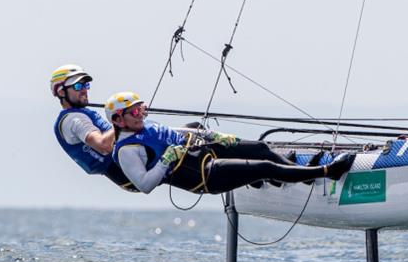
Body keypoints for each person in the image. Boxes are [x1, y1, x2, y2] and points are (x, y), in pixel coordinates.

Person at [105, 92, 355, 194]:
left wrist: (214, 136)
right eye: (135, 113)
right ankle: (328, 172)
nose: (142, 116)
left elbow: (175, 133)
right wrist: (165, 160)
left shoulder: (144, 127)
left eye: (142, 110)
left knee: (260, 149)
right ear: (119, 119)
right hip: (203, 177)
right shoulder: (127, 151)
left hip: (205, 153)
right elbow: (145, 185)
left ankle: (289, 176)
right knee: (264, 166)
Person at [50, 64, 135, 191]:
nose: (84, 90)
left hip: (132, 162)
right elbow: (104, 146)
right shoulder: (73, 120)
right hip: (128, 171)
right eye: (78, 86)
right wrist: (122, 118)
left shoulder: (80, 114)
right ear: (61, 92)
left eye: (86, 85)